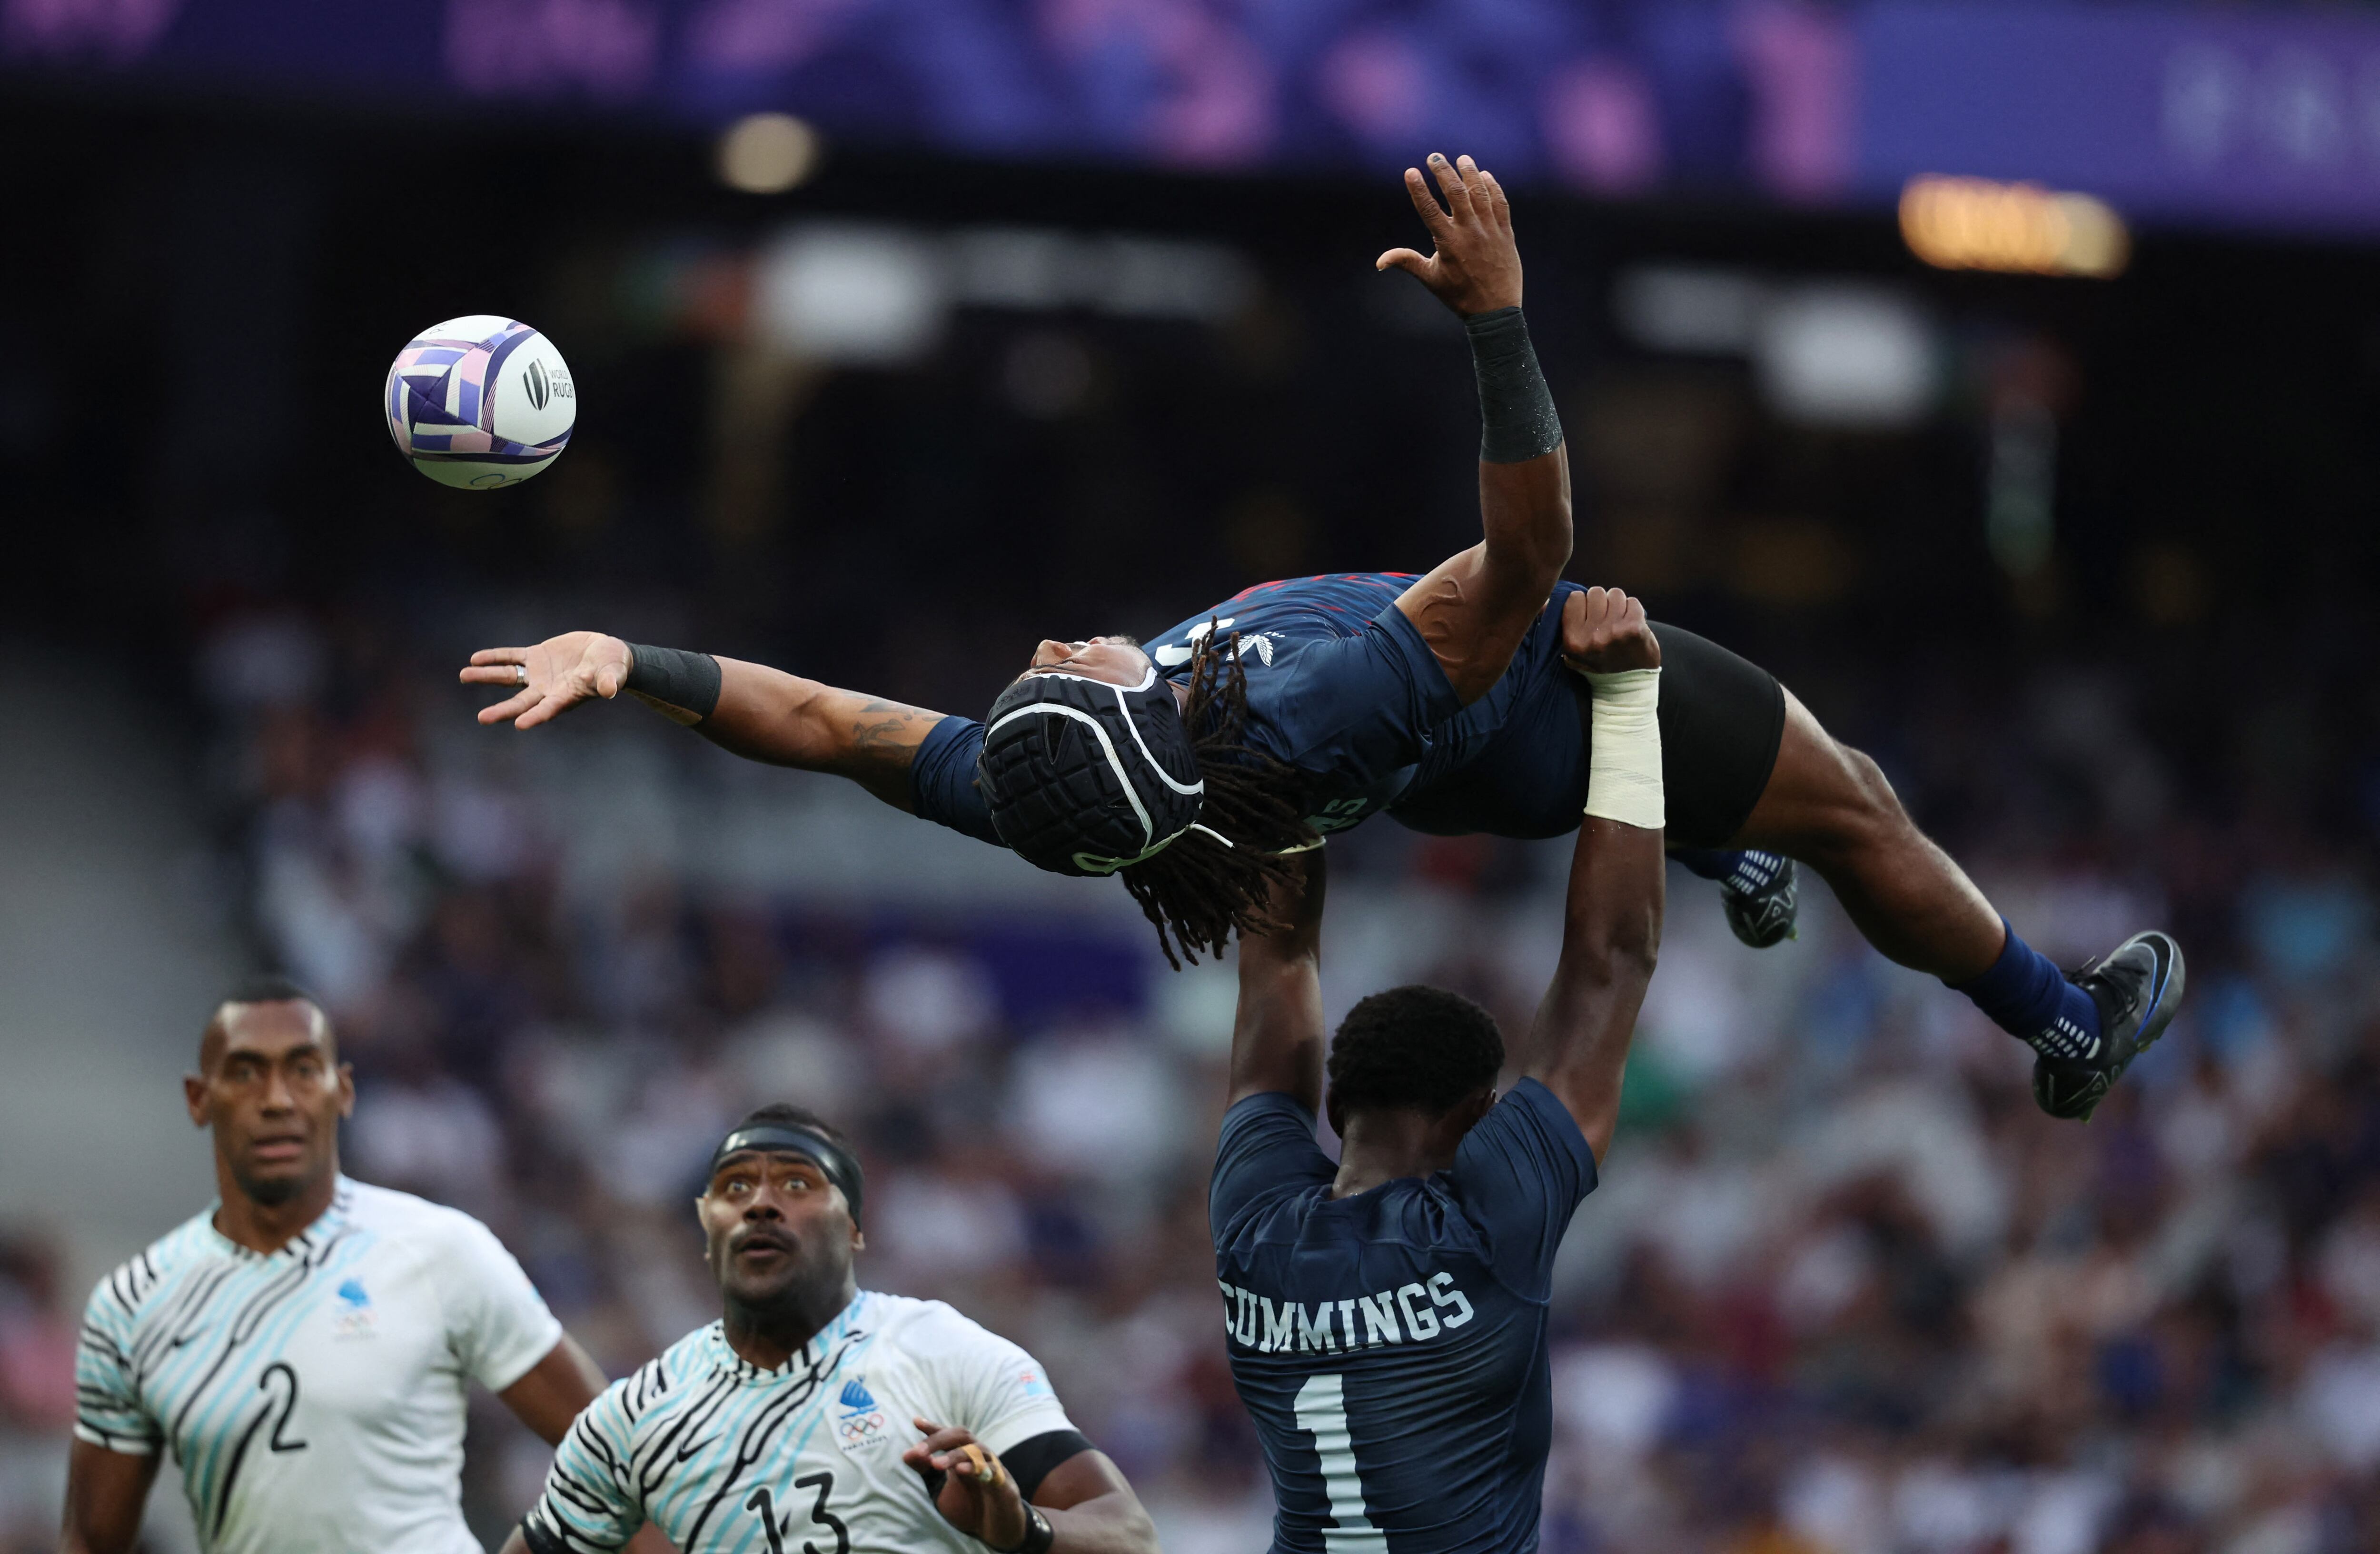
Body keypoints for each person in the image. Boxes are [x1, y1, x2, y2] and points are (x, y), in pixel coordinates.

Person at [461, 154, 2180, 1121]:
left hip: (1432, 779)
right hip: (1540, 698)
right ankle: (2055, 1018)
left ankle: (1733, 835)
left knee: (1773, 816)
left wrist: (639, 666)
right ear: (1133, 703)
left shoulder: (1042, 792)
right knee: (1858, 800)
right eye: (1066, 665)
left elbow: (827, 723)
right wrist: (1499, 326)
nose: (1056, 642)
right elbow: (1534, 547)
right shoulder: (1338, 677)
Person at [1208, 586, 1665, 1553]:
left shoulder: (1257, 1228)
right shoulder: (1485, 1225)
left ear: (1336, 1101)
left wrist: (1283, 767)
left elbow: (1275, 980)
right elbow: (1609, 963)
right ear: (1475, 1114)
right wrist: (1622, 702)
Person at [63, 976, 635, 1554]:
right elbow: (90, 1539)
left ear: (343, 1091)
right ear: (199, 1098)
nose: (277, 1099)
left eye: (304, 1071)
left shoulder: (443, 1252)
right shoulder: (135, 1303)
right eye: (245, 1072)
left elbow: (623, 1462)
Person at [502, 1103, 1160, 1554]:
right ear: (708, 1233)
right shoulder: (635, 1416)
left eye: (796, 1184)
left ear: (854, 1230)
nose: (761, 1203)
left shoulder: (944, 1353)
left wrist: (1027, 1531)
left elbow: (1128, 1533)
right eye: (735, 1188)